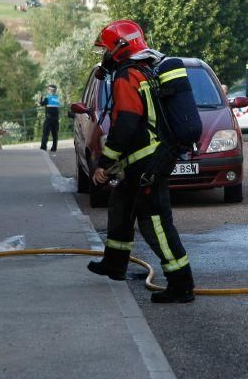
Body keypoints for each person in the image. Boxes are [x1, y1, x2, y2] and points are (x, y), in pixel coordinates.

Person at [87, 20, 195, 303]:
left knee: (155, 222)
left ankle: (181, 283)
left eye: (107, 50)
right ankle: (115, 263)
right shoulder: (145, 68)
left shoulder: (127, 76)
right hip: (147, 158)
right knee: (121, 205)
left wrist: (104, 161)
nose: (105, 56)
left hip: (148, 162)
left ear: (121, 48)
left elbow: (127, 124)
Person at [39, 84, 61, 152]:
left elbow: (42, 104)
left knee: (45, 133)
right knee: (55, 134)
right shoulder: (57, 99)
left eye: (48, 89)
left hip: (48, 119)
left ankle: (43, 147)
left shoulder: (47, 98)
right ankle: (54, 148)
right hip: (56, 119)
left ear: (50, 90)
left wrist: (41, 99)